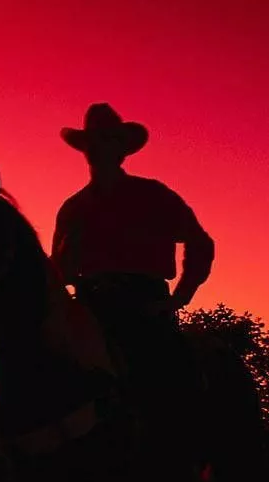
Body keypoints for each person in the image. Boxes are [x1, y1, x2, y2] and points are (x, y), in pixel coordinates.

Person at [51, 102, 214, 455]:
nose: (98, 149)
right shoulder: (73, 208)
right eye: (93, 142)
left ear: (121, 150)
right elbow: (58, 274)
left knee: (173, 383)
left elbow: (200, 244)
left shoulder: (154, 196)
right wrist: (66, 261)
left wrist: (178, 298)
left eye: (107, 140)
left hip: (144, 305)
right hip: (89, 307)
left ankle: (186, 455)